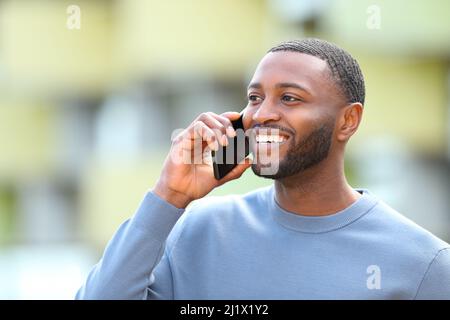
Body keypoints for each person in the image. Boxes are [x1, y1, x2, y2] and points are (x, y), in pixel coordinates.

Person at [76, 38, 450, 299]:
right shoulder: (198, 232)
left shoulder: (422, 263)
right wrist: (168, 196)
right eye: (255, 97)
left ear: (348, 121)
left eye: (289, 98)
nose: (261, 114)